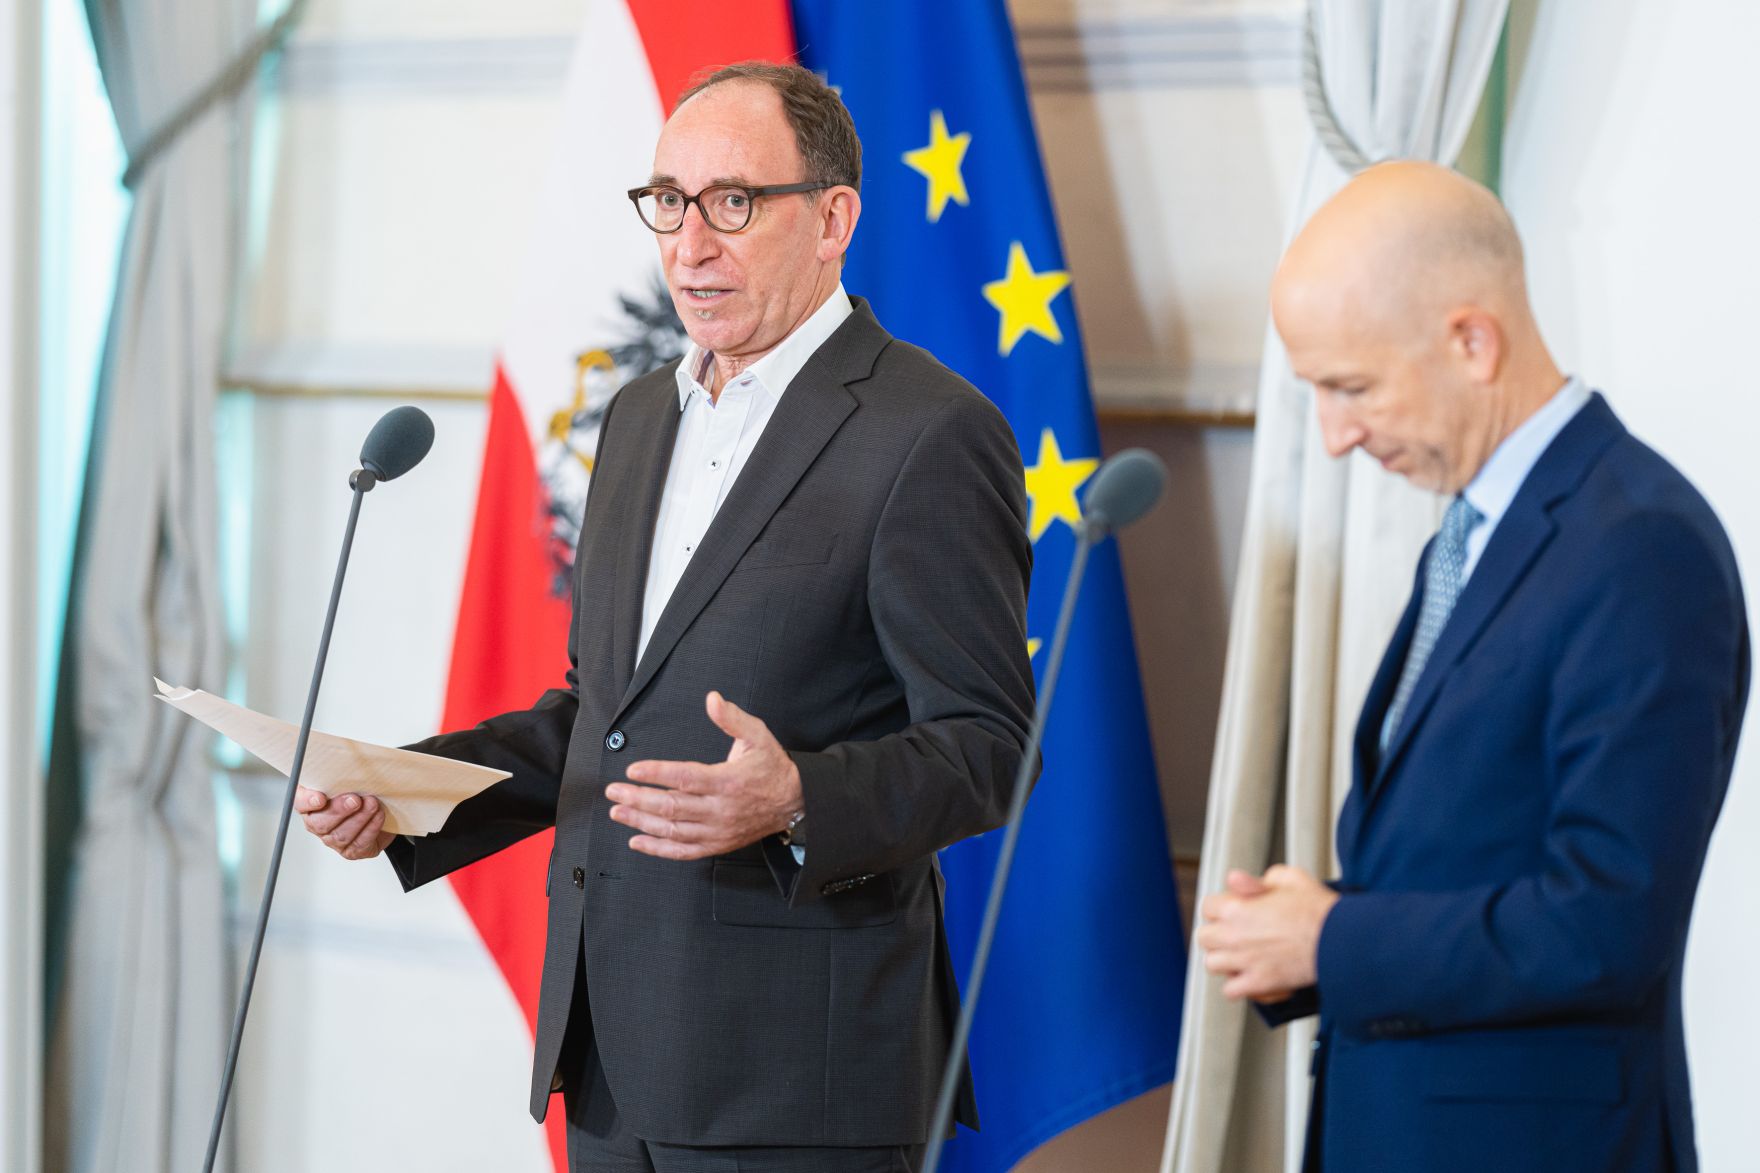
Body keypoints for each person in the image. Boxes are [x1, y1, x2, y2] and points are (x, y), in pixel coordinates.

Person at [296, 62, 1035, 1172]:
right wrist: (407, 794)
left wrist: (798, 798)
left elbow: (990, 746)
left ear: (833, 218)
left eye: (734, 203)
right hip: (607, 1051)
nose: (691, 244)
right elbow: (602, 715)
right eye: (668, 202)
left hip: (795, 1075)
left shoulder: (928, 432)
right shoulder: (641, 413)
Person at [1197, 161, 1749, 1172]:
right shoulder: (1483, 528)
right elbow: (1472, 859)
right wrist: (1307, 929)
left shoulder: (1637, 545)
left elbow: (1608, 922)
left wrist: (1334, 942)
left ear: (1470, 339)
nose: (1332, 437)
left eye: (1349, 387)